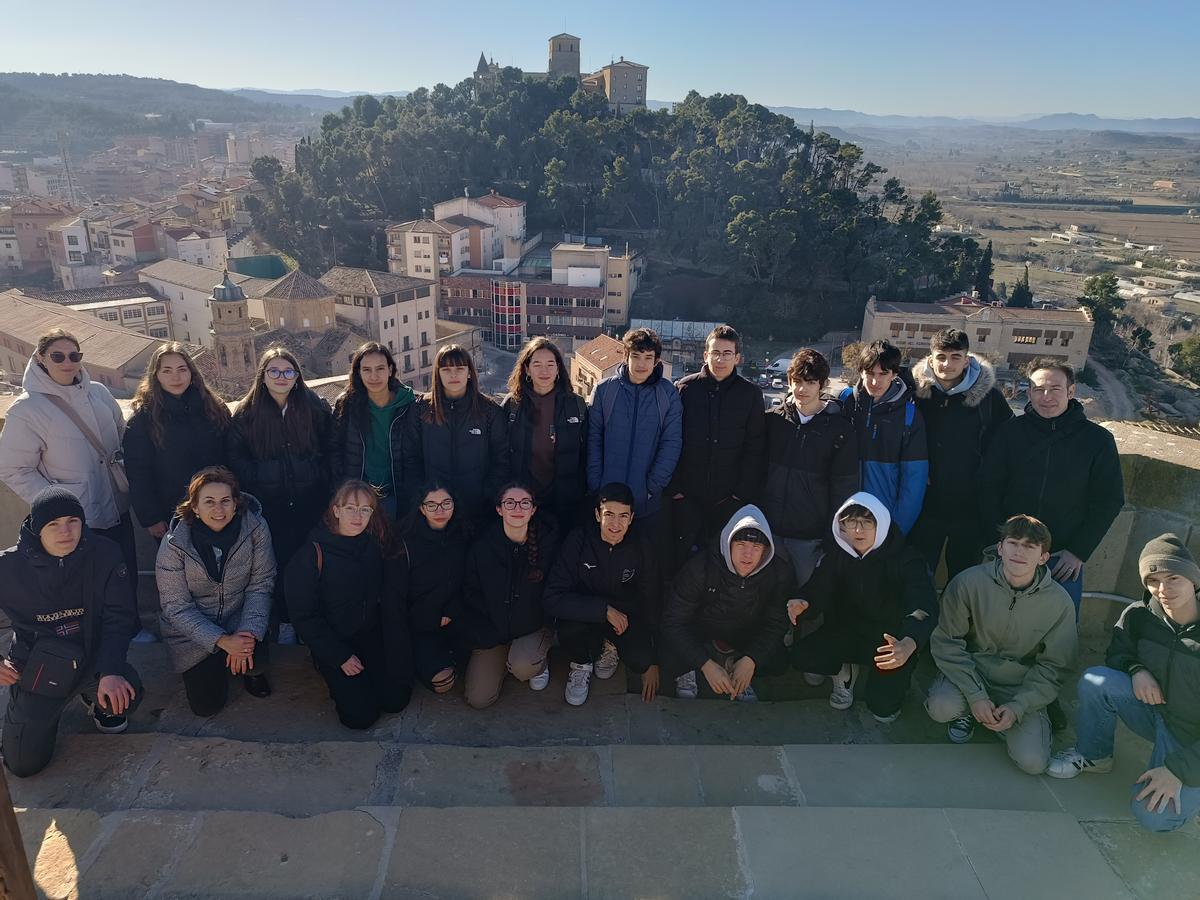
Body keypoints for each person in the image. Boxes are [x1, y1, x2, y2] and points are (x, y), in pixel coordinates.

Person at [1048, 534, 1200, 833]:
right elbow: (1118, 652)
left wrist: (1178, 770)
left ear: (1193, 579)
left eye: (1173, 578)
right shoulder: (1139, 615)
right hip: (1154, 712)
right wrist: (1136, 668)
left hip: (1191, 735)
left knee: (1154, 817)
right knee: (1096, 680)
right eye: (1153, 581)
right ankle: (1095, 755)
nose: (1163, 590)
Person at [0, 487, 141, 777]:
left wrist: (111, 670)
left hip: (90, 656)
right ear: (37, 528)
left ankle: (96, 698)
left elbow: (119, 616)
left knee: (128, 693)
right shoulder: (7, 566)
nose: (65, 531)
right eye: (53, 524)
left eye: (72, 521)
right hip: (37, 665)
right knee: (23, 765)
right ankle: (34, 715)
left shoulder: (105, 553)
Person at [925, 514, 1077, 775]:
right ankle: (970, 712)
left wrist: (1019, 707)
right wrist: (976, 695)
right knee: (941, 707)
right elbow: (947, 641)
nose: (1019, 552)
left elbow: (1056, 666)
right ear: (1000, 548)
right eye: (1013, 543)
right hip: (973, 672)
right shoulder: (968, 583)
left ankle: (1006, 719)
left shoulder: (1060, 603)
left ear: (1043, 557)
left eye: (1029, 546)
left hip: (1019, 686)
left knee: (1033, 763)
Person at [0, 328, 139, 602]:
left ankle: (131, 623)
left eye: (74, 356)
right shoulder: (27, 409)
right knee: (87, 587)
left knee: (125, 575)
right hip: (74, 517)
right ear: (40, 358)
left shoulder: (99, 393)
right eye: (58, 356)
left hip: (117, 505)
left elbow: (122, 433)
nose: (67, 362)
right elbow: (11, 467)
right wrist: (55, 502)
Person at [978, 359, 1124, 613]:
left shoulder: (1097, 440)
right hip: (1012, 551)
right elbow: (988, 488)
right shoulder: (1010, 433)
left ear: (1071, 391)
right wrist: (1002, 539)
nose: (1046, 397)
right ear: (1029, 392)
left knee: (1058, 626)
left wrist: (1079, 551)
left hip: (1062, 559)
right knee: (997, 620)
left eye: (1055, 389)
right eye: (1038, 389)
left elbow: (1109, 500)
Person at [788, 493, 937, 722]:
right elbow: (819, 587)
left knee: (883, 708)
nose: (858, 530)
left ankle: (885, 681)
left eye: (867, 522)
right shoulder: (837, 555)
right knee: (802, 656)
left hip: (889, 640)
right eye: (851, 522)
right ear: (842, 525)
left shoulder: (907, 558)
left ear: (882, 524)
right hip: (845, 631)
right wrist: (804, 603)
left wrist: (909, 642)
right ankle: (844, 671)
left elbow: (923, 604)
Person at [285, 480, 413, 729]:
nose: (358, 516)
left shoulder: (372, 546)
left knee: (396, 699)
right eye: (351, 508)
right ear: (336, 510)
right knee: (360, 717)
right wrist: (339, 656)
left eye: (365, 509)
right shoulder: (312, 555)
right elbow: (303, 616)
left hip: (368, 635)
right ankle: (327, 669)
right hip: (334, 641)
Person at [227, 347, 333, 640]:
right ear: (262, 376)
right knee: (277, 565)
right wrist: (262, 477)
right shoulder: (246, 415)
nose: (281, 377)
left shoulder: (315, 409)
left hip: (311, 503)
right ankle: (285, 623)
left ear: (297, 376)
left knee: (313, 563)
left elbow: (330, 448)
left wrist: (319, 477)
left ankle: (313, 623)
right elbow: (236, 458)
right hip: (270, 507)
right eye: (273, 371)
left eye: (288, 371)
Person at [155, 467, 275, 715]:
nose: (218, 509)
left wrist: (245, 634)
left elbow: (261, 583)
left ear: (235, 504)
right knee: (206, 706)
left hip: (238, 616)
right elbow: (176, 606)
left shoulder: (256, 528)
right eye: (209, 501)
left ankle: (249, 667)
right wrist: (222, 640)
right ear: (195, 507)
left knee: (256, 659)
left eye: (225, 501)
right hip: (195, 628)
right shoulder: (174, 544)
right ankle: (218, 659)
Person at [661, 505, 794, 702]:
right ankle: (690, 670)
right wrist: (705, 664)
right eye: (741, 545)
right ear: (728, 543)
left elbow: (776, 624)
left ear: (766, 551)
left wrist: (751, 659)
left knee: (778, 661)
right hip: (701, 628)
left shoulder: (778, 574)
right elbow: (673, 621)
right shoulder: (700, 569)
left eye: (756, 548)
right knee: (667, 653)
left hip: (744, 630)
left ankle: (737, 665)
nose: (747, 554)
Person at [908, 328, 1012, 580]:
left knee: (964, 576)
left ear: (967, 360)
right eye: (941, 357)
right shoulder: (914, 393)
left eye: (955, 357)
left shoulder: (989, 397)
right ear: (930, 359)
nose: (947, 364)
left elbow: (1005, 445)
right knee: (918, 574)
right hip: (924, 504)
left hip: (970, 506)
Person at [544, 482, 659, 706]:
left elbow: (651, 598)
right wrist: (602, 610)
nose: (616, 524)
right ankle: (581, 663)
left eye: (623, 516)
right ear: (598, 515)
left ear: (631, 518)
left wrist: (653, 659)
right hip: (584, 614)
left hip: (623, 619)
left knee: (641, 659)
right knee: (569, 629)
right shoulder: (579, 540)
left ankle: (609, 646)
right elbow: (552, 597)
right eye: (609, 515)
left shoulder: (641, 546)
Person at [669, 324, 765, 572]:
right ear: (705, 355)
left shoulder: (750, 394)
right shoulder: (685, 389)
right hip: (687, 498)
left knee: (723, 565)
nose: (720, 359)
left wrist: (740, 495)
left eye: (727, 353)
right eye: (715, 353)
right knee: (680, 563)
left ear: (737, 358)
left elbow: (755, 448)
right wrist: (676, 489)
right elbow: (672, 440)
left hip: (729, 500)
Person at [458, 483, 561, 709]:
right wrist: (486, 631)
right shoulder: (482, 547)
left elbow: (556, 593)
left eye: (525, 503)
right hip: (493, 632)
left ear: (533, 509)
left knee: (523, 667)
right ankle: (504, 663)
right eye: (510, 503)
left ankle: (537, 660)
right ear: (499, 509)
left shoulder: (548, 544)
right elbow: (470, 593)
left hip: (532, 627)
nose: (517, 508)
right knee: (478, 698)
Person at [763, 348, 859, 588]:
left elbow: (844, 488)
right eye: (797, 381)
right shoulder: (772, 421)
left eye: (810, 382)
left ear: (822, 385)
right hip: (770, 530)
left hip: (810, 537)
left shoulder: (839, 430)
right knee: (770, 595)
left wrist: (832, 533)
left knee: (808, 597)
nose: (802, 389)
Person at [124, 342, 231, 541]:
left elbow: (231, 454)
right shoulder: (143, 420)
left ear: (192, 372)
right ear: (156, 375)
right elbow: (138, 473)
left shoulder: (214, 408)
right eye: (167, 371)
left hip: (219, 510)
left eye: (182, 369)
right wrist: (151, 518)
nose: (176, 377)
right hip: (171, 513)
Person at [405, 344, 509, 530]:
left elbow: (502, 459)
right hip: (434, 511)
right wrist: (424, 496)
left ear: (469, 372)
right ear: (438, 373)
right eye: (446, 370)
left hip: (477, 510)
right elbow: (410, 458)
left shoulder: (489, 412)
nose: (453, 375)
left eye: (460, 369)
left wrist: (486, 493)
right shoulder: (421, 410)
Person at [586, 328, 682, 528]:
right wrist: (596, 482)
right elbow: (593, 439)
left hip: (645, 500)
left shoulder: (667, 394)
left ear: (656, 361)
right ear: (626, 356)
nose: (641, 364)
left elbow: (671, 443)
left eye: (648, 358)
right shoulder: (605, 390)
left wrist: (653, 486)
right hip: (606, 498)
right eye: (636, 356)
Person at [838, 340, 928, 536]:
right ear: (861, 372)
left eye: (883, 374)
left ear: (894, 374)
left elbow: (914, 480)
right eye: (870, 373)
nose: (875, 382)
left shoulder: (909, 415)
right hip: (843, 515)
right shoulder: (845, 402)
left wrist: (897, 529)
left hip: (883, 519)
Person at [502, 337, 588, 531]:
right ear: (527, 369)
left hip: (564, 498)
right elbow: (500, 453)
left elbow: (586, 453)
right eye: (537, 365)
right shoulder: (513, 405)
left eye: (550, 364)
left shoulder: (576, 405)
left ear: (558, 368)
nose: (544, 371)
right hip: (522, 499)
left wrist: (580, 489)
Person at [331, 342, 417, 522]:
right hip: (357, 497)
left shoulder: (409, 404)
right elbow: (334, 449)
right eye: (366, 370)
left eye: (380, 368)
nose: (374, 376)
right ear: (358, 372)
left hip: (397, 494)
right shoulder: (347, 404)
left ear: (390, 370)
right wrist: (343, 486)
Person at [403, 483, 467, 695]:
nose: (440, 510)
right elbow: (397, 596)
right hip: (421, 623)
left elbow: (471, 582)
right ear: (422, 509)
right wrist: (430, 618)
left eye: (446, 503)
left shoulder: (464, 535)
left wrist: (452, 609)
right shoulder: (405, 542)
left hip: (457, 618)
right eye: (432, 505)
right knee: (443, 682)